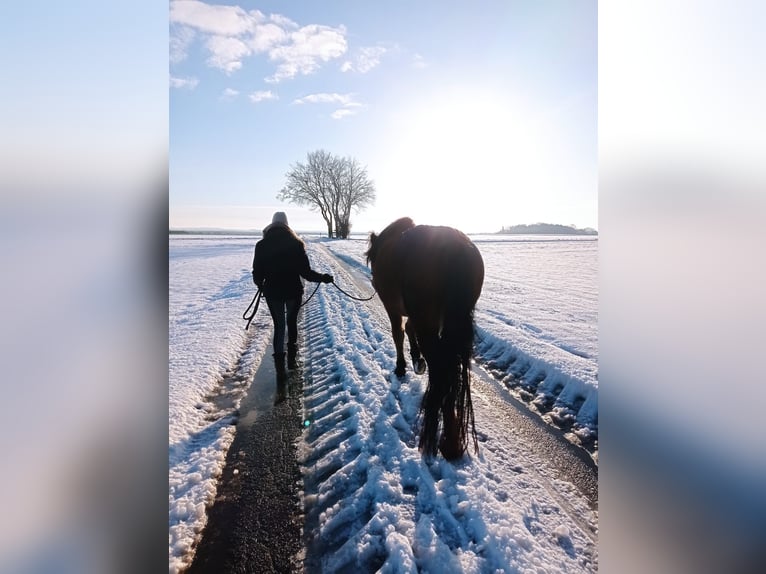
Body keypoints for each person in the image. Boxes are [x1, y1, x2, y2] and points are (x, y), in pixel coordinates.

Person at [252, 212, 333, 381]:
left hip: (273, 293)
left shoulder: (261, 245)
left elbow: (257, 274)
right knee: (291, 323)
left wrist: (261, 285)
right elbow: (306, 273)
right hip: (293, 291)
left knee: (279, 326)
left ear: (271, 224)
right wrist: (323, 278)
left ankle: (280, 369)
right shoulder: (296, 244)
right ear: (287, 225)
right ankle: (291, 361)